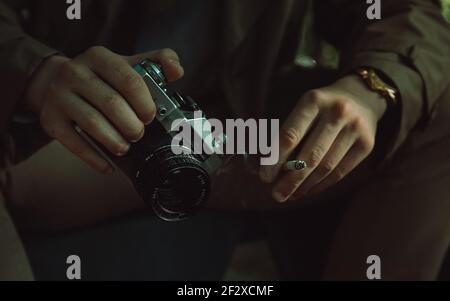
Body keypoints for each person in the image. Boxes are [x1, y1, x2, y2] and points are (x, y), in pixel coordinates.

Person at [1, 0, 450, 280]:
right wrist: (36, 72)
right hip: (81, 135)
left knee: (431, 104)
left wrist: (373, 86)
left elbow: (403, 12)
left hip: (230, 127)